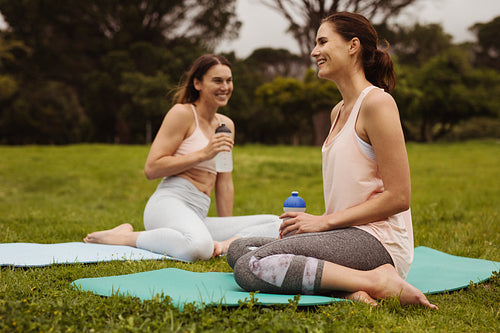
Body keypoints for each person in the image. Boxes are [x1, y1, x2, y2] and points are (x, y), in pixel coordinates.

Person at [226, 13, 438, 309]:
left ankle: (378, 281)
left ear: (353, 46)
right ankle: (347, 289)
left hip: (378, 240)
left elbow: (399, 197)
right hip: (344, 235)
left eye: (322, 42)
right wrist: (323, 226)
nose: (314, 52)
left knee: (251, 266)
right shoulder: (338, 110)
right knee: (238, 249)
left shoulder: (377, 103)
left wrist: (325, 222)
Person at [84, 54, 281, 261]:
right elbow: (152, 168)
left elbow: (224, 181)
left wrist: (227, 230)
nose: (225, 87)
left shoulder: (226, 125)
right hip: (168, 204)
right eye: (217, 80)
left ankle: (224, 246)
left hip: (198, 214)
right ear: (197, 83)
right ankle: (124, 237)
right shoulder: (182, 113)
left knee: (278, 224)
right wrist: (203, 154)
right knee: (197, 247)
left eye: (229, 80)